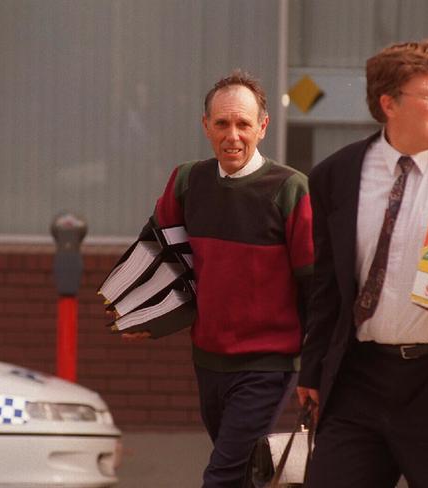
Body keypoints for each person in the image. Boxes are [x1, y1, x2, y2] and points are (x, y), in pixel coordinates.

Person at [297, 38, 428, 488]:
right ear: (388, 103)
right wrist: (313, 368)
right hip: (361, 376)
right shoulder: (336, 175)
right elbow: (329, 284)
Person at [123, 70, 313, 487]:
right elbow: (157, 254)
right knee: (243, 473)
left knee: (222, 477)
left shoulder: (290, 189)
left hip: (268, 362)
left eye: (244, 124)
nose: (233, 135)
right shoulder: (188, 181)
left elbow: (314, 284)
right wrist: (141, 315)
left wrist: (315, 369)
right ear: (205, 125)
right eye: (222, 123)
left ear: (262, 127)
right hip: (208, 358)